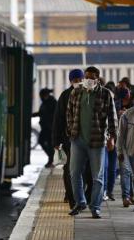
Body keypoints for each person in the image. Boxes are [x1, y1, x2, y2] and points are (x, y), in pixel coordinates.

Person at [66, 66, 117, 219]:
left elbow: (112, 118)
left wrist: (112, 137)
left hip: (98, 140)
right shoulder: (76, 92)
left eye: (91, 77)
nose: (87, 80)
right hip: (77, 140)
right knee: (74, 173)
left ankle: (95, 207)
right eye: (86, 77)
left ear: (97, 79)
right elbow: (69, 113)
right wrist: (70, 132)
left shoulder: (105, 94)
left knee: (98, 177)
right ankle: (80, 202)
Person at [52, 69, 84, 209]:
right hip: (69, 139)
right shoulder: (65, 95)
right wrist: (56, 141)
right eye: (75, 80)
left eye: (79, 79)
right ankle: (72, 199)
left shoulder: (88, 94)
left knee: (85, 170)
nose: (77, 82)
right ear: (70, 81)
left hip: (87, 139)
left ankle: (81, 197)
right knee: (69, 169)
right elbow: (58, 119)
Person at [115, 85, 134, 207]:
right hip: (122, 141)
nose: (129, 94)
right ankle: (126, 196)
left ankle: (133, 195)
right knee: (125, 170)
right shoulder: (116, 105)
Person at [33, 88, 57, 168]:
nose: (41, 98)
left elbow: (52, 115)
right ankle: (51, 159)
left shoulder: (52, 103)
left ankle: (51, 160)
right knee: (44, 142)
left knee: (47, 143)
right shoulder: (45, 102)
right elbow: (41, 113)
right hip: (46, 127)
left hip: (50, 128)